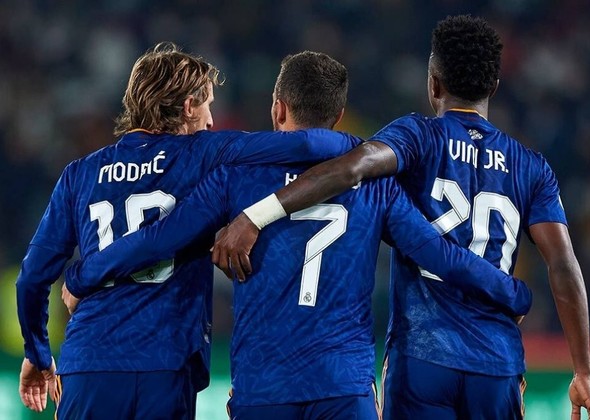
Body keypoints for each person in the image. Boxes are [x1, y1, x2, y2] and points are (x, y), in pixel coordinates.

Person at [62, 51, 532, 420]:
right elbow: (440, 255)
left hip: (263, 391)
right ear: (339, 114)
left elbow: (159, 238)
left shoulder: (235, 177)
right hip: (344, 387)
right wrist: (511, 291)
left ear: (278, 108)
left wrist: (84, 276)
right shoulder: (375, 184)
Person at [213, 15, 590, 420]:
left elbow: (352, 168)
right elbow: (562, 264)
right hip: (496, 359)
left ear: (433, 84)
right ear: (494, 87)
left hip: (422, 356)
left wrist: (257, 215)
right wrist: (583, 369)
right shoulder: (531, 166)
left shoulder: (417, 136)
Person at [15, 43, 361, 419]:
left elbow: (32, 278)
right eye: (208, 104)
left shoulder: (79, 174)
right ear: (188, 107)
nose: (211, 120)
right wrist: (366, 149)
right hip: (166, 361)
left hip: (88, 362)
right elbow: (308, 141)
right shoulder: (205, 152)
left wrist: (38, 352)